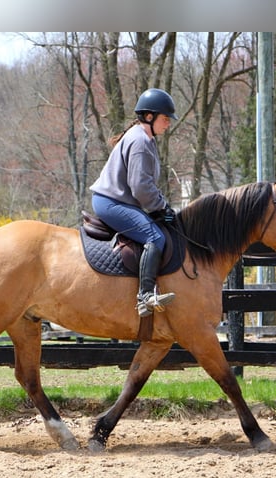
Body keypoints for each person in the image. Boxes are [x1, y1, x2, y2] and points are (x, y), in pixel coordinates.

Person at [90, 88, 178, 318]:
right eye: (165, 118)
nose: (168, 124)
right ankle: (146, 296)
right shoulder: (140, 141)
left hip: (117, 200)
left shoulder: (144, 138)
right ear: (149, 117)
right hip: (112, 202)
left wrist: (159, 206)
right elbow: (140, 186)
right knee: (155, 237)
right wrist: (162, 207)